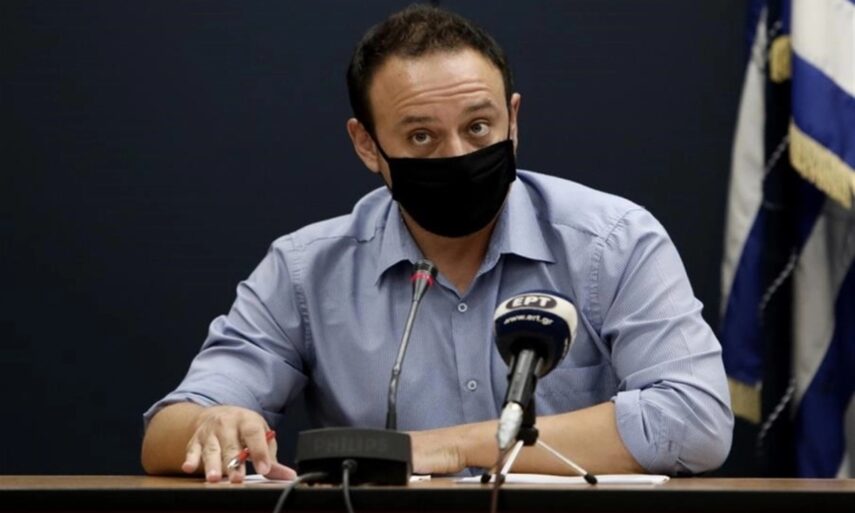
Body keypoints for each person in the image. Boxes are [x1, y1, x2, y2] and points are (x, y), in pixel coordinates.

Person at [141, 4, 733, 483]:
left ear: (513, 119)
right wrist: (212, 424)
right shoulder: (306, 271)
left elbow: (697, 419)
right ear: (367, 144)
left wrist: (450, 447)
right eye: (421, 136)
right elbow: (167, 432)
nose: (457, 155)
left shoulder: (612, 242)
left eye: (478, 127)